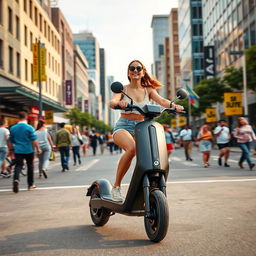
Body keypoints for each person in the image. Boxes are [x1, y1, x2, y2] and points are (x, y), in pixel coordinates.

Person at [109, 60, 184, 201]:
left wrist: (174, 105)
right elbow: (112, 102)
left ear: (143, 72)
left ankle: (148, 185)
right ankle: (116, 187)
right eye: (132, 68)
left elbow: (162, 101)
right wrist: (119, 103)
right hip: (123, 126)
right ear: (128, 72)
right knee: (132, 149)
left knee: (151, 155)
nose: (135, 70)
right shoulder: (122, 89)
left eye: (139, 68)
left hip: (142, 126)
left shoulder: (148, 90)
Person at [8, 112, 41, 193]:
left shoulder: (13, 128)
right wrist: (38, 148)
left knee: (18, 166)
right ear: (26, 117)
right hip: (29, 150)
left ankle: (16, 179)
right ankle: (30, 185)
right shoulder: (29, 127)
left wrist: (11, 150)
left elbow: (10, 141)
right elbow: (34, 139)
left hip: (18, 150)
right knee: (30, 166)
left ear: (18, 118)